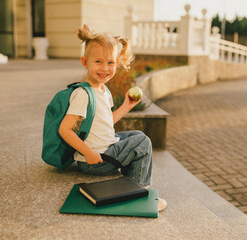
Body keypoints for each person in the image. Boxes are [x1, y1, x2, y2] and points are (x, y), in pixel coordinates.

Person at [58, 25, 167, 211]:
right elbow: (64, 130)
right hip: (95, 161)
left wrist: (126, 106)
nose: (105, 68)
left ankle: (129, 178)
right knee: (142, 142)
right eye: (98, 62)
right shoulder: (82, 94)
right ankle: (139, 191)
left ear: (116, 63)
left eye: (110, 63)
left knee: (136, 134)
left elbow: (106, 122)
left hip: (104, 151)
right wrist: (88, 153)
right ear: (85, 62)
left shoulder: (103, 90)